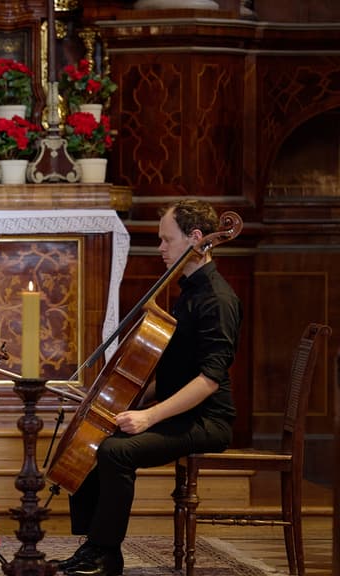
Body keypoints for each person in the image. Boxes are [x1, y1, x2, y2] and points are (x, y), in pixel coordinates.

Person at [55, 199, 241, 576]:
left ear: (196, 238)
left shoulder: (218, 300)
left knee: (115, 451)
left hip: (206, 420)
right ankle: (93, 546)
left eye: (166, 240)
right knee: (96, 436)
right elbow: (174, 372)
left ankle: (107, 554)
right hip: (178, 412)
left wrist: (147, 417)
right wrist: (117, 401)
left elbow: (208, 381)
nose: (160, 248)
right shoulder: (188, 291)